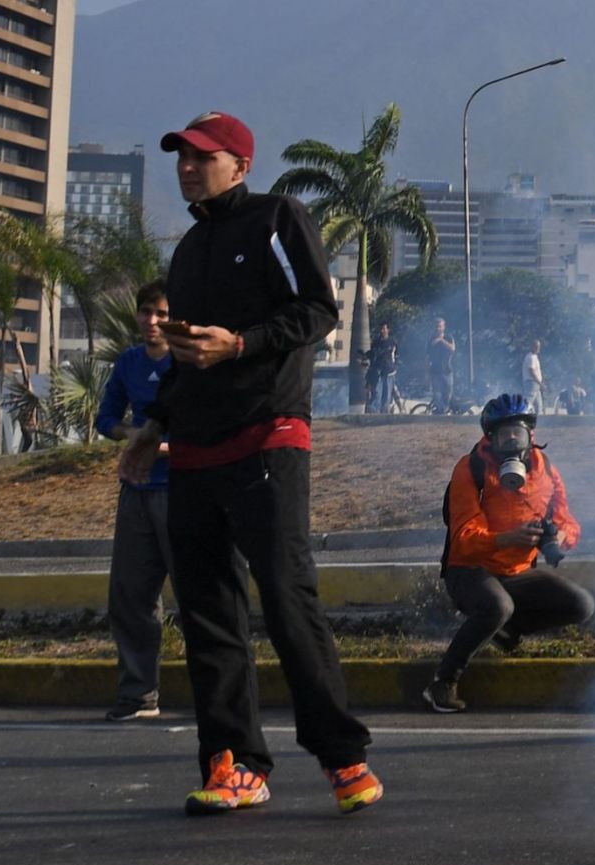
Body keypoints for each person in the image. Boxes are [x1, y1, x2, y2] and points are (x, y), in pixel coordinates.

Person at [117, 111, 380, 817]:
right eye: (180, 157)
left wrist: (239, 344)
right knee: (206, 613)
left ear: (239, 164)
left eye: (202, 157)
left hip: (269, 434)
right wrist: (153, 423)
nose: (186, 168)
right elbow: (189, 355)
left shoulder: (276, 217)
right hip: (195, 448)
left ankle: (342, 756)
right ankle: (234, 763)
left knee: (287, 596)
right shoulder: (189, 251)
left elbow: (317, 311)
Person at [424, 393, 595, 713]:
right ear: (491, 439)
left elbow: (566, 520)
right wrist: (507, 538)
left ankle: (507, 631)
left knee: (581, 605)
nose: (512, 441)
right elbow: (463, 538)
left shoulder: (546, 470)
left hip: (517, 571)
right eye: (504, 436)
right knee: (497, 605)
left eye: (518, 432)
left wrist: (562, 535)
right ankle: (442, 682)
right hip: (469, 570)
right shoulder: (471, 468)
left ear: (532, 435)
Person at [94, 281, 177, 722]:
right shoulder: (129, 362)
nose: (152, 321)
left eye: (162, 313)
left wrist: (162, 445)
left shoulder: (189, 362)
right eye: (146, 312)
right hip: (137, 492)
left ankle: (219, 699)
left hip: (182, 490)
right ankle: (139, 695)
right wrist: (135, 437)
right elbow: (105, 418)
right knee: (130, 596)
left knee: (201, 598)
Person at [366, 321, 398, 413]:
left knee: (387, 394)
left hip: (389, 371)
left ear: (388, 329)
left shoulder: (392, 342)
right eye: (381, 329)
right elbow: (372, 355)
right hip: (378, 371)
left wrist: (395, 367)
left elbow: (396, 356)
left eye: (384, 328)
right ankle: (375, 411)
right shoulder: (376, 343)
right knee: (377, 392)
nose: (382, 330)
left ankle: (385, 412)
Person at [428, 318, 456, 415]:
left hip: (447, 370)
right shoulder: (431, 339)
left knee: (448, 392)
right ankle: (441, 411)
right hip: (435, 371)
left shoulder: (448, 337)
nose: (438, 328)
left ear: (444, 327)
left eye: (440, 326)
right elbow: (427, 355)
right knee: (437, 394)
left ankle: (445, 409)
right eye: (437, 326)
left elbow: (452, 348)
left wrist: (441, 340)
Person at [522, 339, 546, 414]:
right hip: (531, 382)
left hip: (535, 384)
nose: (538, 348)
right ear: (532, 347)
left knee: (539, 405)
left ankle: (539, 421)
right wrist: (540, 383)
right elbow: (531, 371)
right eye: (536, 346)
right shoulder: (531, 357)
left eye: (538, 346)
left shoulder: (535, 357)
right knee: (528, 401)